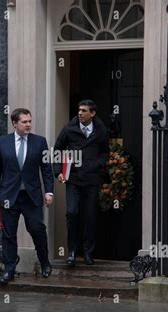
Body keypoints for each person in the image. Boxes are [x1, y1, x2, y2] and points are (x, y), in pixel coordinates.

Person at [0, 108, 54, 285]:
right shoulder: (2, 142)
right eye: (24, 122)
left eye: (30, 121)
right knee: (8, 234)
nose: (28, 125)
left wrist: (49, 191)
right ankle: (9, 270)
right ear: (14, 123)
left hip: (32, 197)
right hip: (9, 196)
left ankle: (45, 262)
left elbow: (46, 169)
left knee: (37, 230)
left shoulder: (40, 142)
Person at [53, 100, 109, 266]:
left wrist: (97, 164)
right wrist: (59, 172)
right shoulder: (69, 128)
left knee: (90, 217)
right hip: (74, 180)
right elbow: (57, 149)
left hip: (92, 181)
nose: (80, 113)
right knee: (71, 213)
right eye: (79, 110)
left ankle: (88, 253)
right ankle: (71, 252)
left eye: (84, 111)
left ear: (92, 114)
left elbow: (105, 152)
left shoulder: (101, 130)